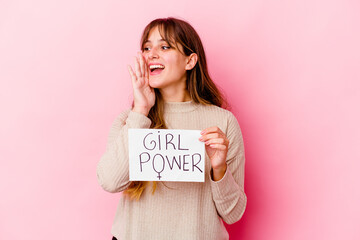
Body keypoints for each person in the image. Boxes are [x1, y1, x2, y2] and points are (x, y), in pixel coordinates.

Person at [96, 17, 247, 240]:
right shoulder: (131, 119)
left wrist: (219, 169)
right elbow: (109, 181)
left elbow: (233, 214)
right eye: (147, 47)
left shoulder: (222, 123)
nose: (151, 54)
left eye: (164, 46)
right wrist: (140, 111)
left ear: (190, 61)